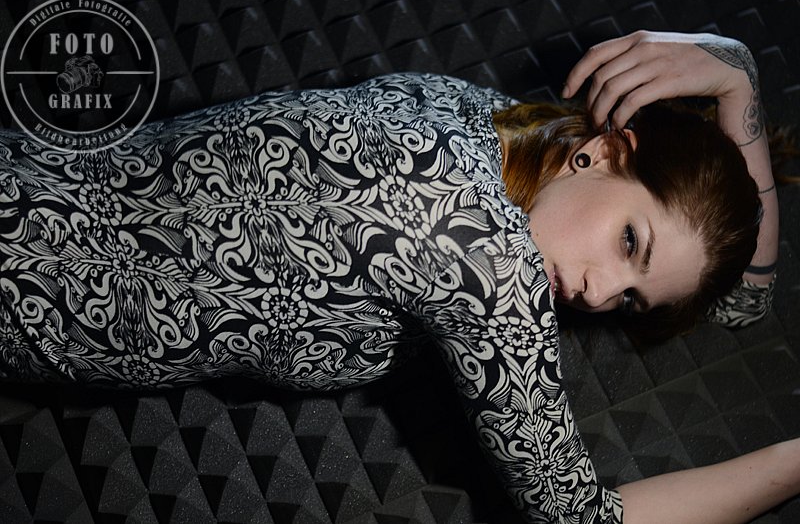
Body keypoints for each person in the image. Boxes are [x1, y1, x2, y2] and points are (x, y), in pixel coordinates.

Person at [0, 30, 795, 523]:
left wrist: (735, 73)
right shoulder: (489, 266)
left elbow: (744, 296)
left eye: (629, 299)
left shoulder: (464, 106)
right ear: (606, 150)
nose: (596, 292)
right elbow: (581, 518)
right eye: (628, 242)